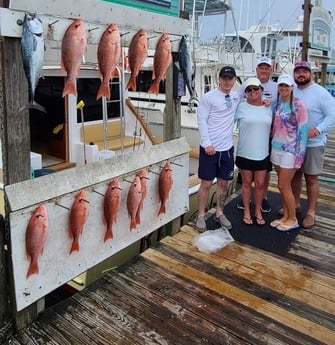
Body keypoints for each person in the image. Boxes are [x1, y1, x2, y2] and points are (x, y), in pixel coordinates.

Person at [285, 60, 335, 229]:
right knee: (296, 175)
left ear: (311, 74)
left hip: (314, 143)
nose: (301, 74)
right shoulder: (292, 91)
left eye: (304, 71)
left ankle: (311, 212)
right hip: (295, 143)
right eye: (298, 71)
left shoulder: (321, 93)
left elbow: (332, 115)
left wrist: (318, 130)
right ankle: (296, 204)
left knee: (311, 178)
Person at [195, 66, 240, 232]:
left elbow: (253, 96)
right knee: (206, 184)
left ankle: (220, 212)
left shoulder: (236, 96)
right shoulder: (208, 97)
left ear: (235, 80)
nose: (227, 81)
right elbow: (201, 121)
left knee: (223, 183)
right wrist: (207, 143)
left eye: (230, 78)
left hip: (227, 149)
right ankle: (201, 215)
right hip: (210, 149)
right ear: (218, 79)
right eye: (224, 78)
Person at [236, 56, 277, 213]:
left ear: (270, 70)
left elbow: (281, 106)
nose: (264, 70)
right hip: (251, 133)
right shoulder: (246, 86)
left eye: (267, 67)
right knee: (247, 177)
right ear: (257, 69)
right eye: (261, 67)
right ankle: (246, 199)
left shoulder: (275, 86)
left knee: (264, 172)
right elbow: (238, 100)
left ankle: (264, 197)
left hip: (268, 134)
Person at [270, 74, 308, 231]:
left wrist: (300, 157)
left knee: (283, 185)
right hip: (276, 149)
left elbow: (303, 132)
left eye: (287, 85)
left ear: (292, 87)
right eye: (281, 86)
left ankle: (292, 219)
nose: (283, 88)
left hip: (290, 152)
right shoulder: (277, 103)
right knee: (283, 186)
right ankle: (285, 215)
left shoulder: (298, 105)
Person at [234, 77, 273, 226]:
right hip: (245, 152)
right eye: (249, 89)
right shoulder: (240, 107)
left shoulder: (269, 107)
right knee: (246, 184)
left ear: (261, 90)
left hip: (263, 153)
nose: (252, 92)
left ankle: (257, 210)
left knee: (261, 184)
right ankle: (247, 212)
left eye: (255, 89)